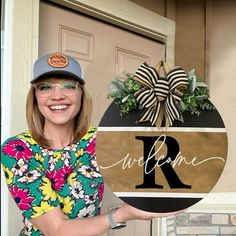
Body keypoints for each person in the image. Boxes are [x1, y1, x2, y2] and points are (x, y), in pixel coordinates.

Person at [1, 52, 182, 236]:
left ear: (81, 93)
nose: (57, 96)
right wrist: (123, 214)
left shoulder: (100, 141)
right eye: (45, 87)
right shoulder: (17, 150)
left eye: (69, 86)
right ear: (35, 97)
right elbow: (56, 230)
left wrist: (162, 101)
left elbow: (153, 157)